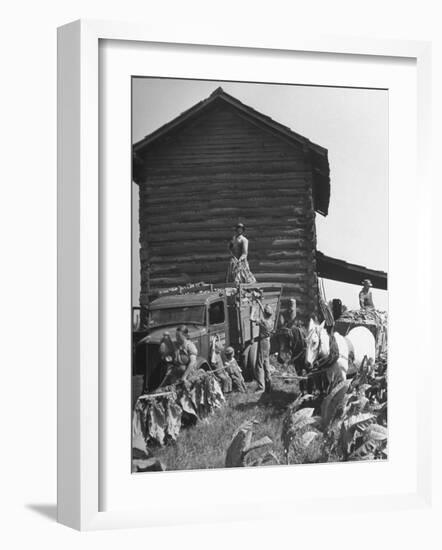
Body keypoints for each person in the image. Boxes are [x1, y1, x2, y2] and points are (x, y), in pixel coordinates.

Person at [253, 304, 274, 393]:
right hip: (268, 342)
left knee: (259, 364)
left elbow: (251, 319)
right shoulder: (270, 321)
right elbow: (264, 315)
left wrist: (253, 311)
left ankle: (261, 387)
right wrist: (260, 304)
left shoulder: (263, 321)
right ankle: (269, 384)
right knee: (266, 363)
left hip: (263, 343)